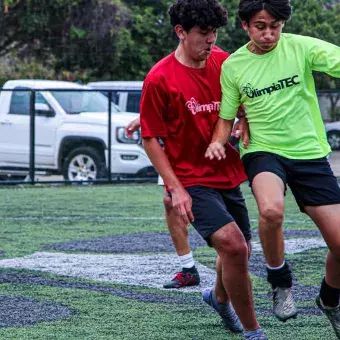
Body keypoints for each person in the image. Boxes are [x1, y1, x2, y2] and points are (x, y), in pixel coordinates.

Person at [205, 0, 340, 336]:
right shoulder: (234, 66)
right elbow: (227, 116)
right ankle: (280, 281)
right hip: (263, 151)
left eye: (275, 26)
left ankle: (330, 300)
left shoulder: (302, 47)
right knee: (271, 210)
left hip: (309, 155)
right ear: (245, 26)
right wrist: (217, 141)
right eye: (261, 26)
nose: (269, 34)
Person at [140, 1, 266, 339]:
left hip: (227, 173)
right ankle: (254, 332)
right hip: (191, 180)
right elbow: (150, 138)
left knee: (241, 252)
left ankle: (218, 297)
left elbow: (245, 105)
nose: (210, 40)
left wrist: (244, 121)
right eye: (202, 33)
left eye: (214, 33)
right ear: (181, 32)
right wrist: (175, 188)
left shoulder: (226, 63)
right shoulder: (159, 78)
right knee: (235, 247)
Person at [126, 117, 201, 289]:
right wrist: (144, 118)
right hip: (177, 140)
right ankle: (188, 268)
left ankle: (237, 256)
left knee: (216, 195)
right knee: (169, 200)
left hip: (205, 133)